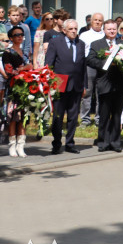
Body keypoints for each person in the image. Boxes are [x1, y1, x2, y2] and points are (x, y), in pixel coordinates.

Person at [87, 20, 123, 153]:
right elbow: (90, 59)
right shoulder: (97, 44)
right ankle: (103, 142)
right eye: (109, 29)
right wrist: (105, 63)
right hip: (104, 83)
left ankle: (115, 142)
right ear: (104, 30)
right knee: (104, 115)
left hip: (120, 84)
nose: (111, 31)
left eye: (113, 29)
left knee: (117, 115)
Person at [46, 19, 87, 155]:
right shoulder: (55, 42)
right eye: (71, 29)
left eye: (76, 28)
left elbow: (83, 66)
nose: (74, 31)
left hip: (76, 84)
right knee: (58, 116)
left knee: (73, 116)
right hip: (60, 83)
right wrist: (49, 82)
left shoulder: (81, 44)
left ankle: (70, 143)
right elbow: (49, 63)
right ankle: (56, 143)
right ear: (64, 30)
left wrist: (84, 85)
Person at [1, 26, 29, 157]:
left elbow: (32, 67)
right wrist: (23, 69)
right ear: (11, 38)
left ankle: (21, 145)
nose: (20, 36)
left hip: (26, 87)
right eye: (16, 34)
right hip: (13, 88)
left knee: (23, 118)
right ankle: (12, 145)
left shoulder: (25, 51)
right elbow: (8, 71)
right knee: (13, 117)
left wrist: (27, 69)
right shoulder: (7, 52)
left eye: (21, 34)